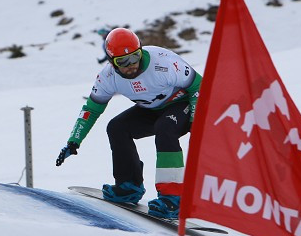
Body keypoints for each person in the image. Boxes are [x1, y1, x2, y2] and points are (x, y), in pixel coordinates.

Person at [55, 27, 202, 220]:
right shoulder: (108, 77)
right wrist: (74, 140)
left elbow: (198, 85)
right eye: (123, 61)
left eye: (135, 57)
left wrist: (195, 121)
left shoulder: (163, 63)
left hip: (181, 103)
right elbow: (91, 109)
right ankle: (129, 186)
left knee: (165, 129)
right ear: (111, 62)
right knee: (117, 127)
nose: (132, 64)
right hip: (152, 109)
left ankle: (173, 198)